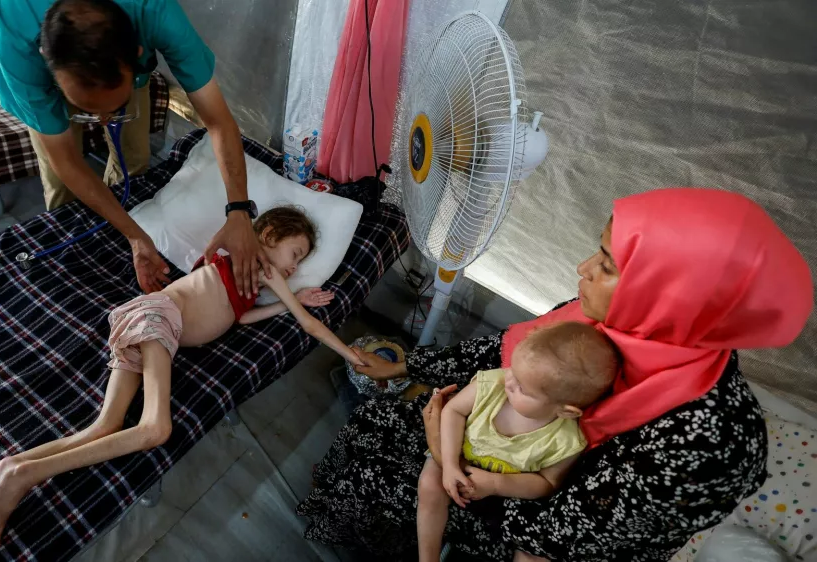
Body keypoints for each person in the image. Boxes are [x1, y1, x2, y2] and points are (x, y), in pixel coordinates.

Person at [297, 188, 814, 561]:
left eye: (608, 264)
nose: (583, 267)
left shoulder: (708, 446)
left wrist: (444, 454)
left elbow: (562, 534)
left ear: (671, 295)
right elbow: (510, 356)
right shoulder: (609, 319)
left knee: (384, 476)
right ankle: (363, 533)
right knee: (373, 426)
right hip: (494, 448)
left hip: (537, 519)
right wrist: (410, 365)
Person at [0, 207, 365, 561]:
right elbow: (308, 324)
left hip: (148, 319)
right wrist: (351, 355)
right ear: (269, 237)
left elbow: (239, 315)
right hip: (159, 319)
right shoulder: (256, 263)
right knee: (156, 429)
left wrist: (287, 304)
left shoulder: (247, 281)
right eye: (297, 253)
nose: (296, 266)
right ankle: (21, 475)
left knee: (102, 428)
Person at [0, 0, 268, 296]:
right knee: (61, 187)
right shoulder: (14, 39)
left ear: (137, 53)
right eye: (89, 110)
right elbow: (66, 162)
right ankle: (72, 274)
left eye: (115, 107)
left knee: (133, 160)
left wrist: (238, 210)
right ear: (45, 59)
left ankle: (120, 229)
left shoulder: (156, 13)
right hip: (32, 51)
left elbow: (219, 122)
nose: (104, 121)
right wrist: (135, 236)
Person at [417, 322, 618, 562]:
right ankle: (427, 556)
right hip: (455, 456)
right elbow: (453, 412)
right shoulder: (491, 385)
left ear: (566, 412)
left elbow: (547, 483)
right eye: (513, 368)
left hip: (506, 489)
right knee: (430, 483)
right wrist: (449, 464)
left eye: (522, 387)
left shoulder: (565, 441)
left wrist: (496, 483)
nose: (508, 380)